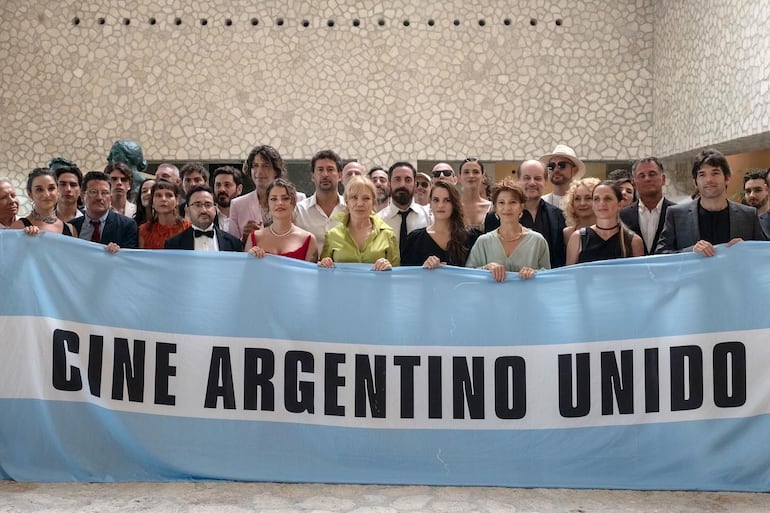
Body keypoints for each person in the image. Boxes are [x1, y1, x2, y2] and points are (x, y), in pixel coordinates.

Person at [656, 149, 766, 255]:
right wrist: (690, 251)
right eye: (702, 174)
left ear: (727, 178)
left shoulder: (748, 215)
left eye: (715, 173)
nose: (709, 179)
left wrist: (748, 248)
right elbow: (661, 255)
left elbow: (764, 253)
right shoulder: (676, 215)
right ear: (695, 182)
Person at [485, 160, 566, 268]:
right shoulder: (494, 217)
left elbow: (560, 259)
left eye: (537, 178)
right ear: (518, 181)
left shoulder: (558, 216)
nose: (532, 183)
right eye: (527, 178)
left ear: (545, 182)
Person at [466, 179, 550, 282]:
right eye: (501, 202)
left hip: (527, 297)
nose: (507, 207)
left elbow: (547, 279)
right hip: (491, 298)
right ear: (495, 207)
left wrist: (534, 273)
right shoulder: (483, 242)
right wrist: (486, 268)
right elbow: (468, 277)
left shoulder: (537, 241)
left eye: (513, 202)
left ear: (521, 206)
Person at [319, 176, 399, 270]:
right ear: (346, 201)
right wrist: (324, 264)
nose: (360, 203)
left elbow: (396, 273)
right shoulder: (332, 235)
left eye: (366, 198)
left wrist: (388, 267)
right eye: (354, 197)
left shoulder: (388, 234)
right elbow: (323, 273)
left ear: (373, 201)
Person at [402, 181, 479, 267]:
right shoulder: (415, 239)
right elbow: (407, 276)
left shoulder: (471, 238)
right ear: (430, 203)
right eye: (436, 200)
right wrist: (423, 269)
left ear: (454, 204)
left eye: (447, 200)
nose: (441, 205)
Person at [566, 180, 644, 265]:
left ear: (620, 204)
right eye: (596, 199)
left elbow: (638, 275)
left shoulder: (633, 241)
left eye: (608, 199)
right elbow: (570, 274)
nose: (601, 203)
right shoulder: (578, 238)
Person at [246, 179, 318, 261]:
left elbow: (311, 273)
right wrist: (250, 258)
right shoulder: (254, 237)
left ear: (293, 203)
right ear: (267, 204)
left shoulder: (308, 240)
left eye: (285, 198)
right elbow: (246, 272)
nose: (279, 203)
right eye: (274, 199)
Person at [228, 145, 286, 242]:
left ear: (276, 170)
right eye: (255, 166)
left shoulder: (298, 199)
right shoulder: (237, 205)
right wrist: (245, 238)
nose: (259, 172)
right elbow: (231, 247)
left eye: (265, 166)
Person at [620, 157, 676, 255]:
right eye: (642, 175)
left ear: (663, 179)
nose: (647, 179)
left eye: (652, 174)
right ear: (634, 183)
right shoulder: (623, 216)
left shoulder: (677, 213)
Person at [71, 171, 138, 250]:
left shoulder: (126, 226)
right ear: (82, 195)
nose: (99, 197)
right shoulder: (72, 226)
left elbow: (128, 258)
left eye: (104, 193)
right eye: (94, 192)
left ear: (110, 197)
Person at [294, 149, 346, 249]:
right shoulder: (299, 211)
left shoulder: (351, 209)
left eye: (330, 169)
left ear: (340, 176)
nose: (325, 174)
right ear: (313, 176)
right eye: (320, 169)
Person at [165, 186, 242, 251]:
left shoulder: (233, 243)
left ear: (215, 209)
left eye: (208, 205)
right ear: (187, 210)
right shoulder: (173, 244)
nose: (203, 210)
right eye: (197, 205)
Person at [377, 161, 431, 254]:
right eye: (397, 179)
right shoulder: (378, 220)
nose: (402, 184)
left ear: (415, 186)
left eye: (408, 180)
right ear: (389, 184)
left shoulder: (429, 218)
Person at [10, 168, 76, 237]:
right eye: (39, 189)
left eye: (51, 188)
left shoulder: (71, 230)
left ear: (58, 190)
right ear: (30, 194)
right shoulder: (18, 228)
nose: (46, 194)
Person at [138, 181, 191, 249]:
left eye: (169, 195)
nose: (163, 199)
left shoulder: (188, 228)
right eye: (158, 195)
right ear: (152, 202)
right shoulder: (144, 230)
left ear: (177, 200)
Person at [540, 145, 586, 210]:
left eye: (561, 165)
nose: (556, 170)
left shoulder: (582, 203)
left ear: (574, 170)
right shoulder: (541, 203)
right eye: (551, 166)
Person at [562, 177, 600, 245]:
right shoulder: (567, 233)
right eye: (577, 199)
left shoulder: (609, 230)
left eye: (588, 198)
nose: (582, 203)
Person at [458, 157, 492, 230]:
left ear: (483, 176)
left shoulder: (492, 208)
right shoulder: (452, 207)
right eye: (466, 172)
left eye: (475, 172)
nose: (471, 176)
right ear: (459, 177)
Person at [211, 166, 243, 233]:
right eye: (218, 185)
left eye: (227, 185)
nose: (221, 189)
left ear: (239, 189)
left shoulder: (246, 216)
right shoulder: (208, 215)